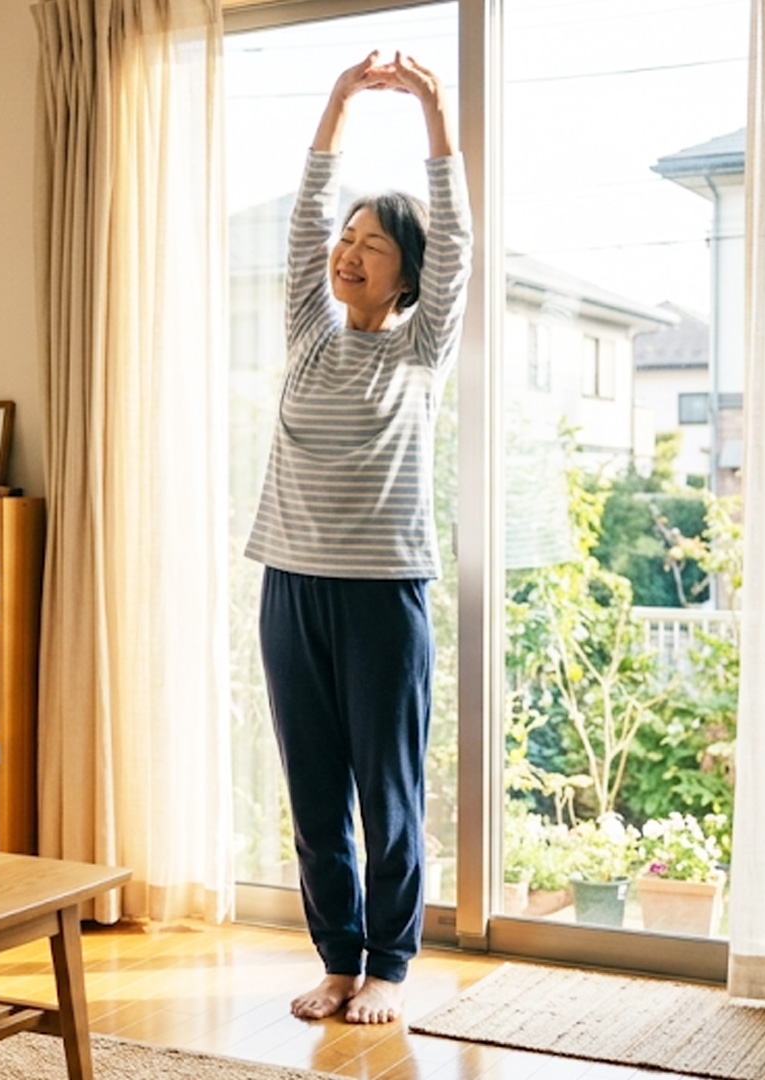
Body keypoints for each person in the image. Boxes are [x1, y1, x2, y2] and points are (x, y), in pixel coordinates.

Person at [243, 49, 470, 1026]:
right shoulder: (307, 330)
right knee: (313, 787)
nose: (348, 250)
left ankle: (389, 966)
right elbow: (303, 221)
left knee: (388, 791)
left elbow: (454, 237)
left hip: (383, 592)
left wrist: (434, 114)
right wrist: (335, 101)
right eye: (349, 235)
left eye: (373, 243)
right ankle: (336, 959)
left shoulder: (420, 351)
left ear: (406, 274)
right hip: (289, 586)